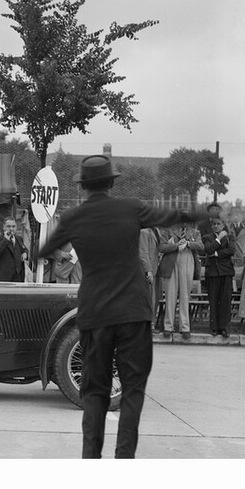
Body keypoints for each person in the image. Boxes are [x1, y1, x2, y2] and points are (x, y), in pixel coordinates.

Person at [36, 154, 206, 459]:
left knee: (95, 391)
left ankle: (92, 459)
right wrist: (197, 213)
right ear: (111, 182)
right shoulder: (130, 208)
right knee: (133, 388)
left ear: (84, 185)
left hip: (95, 313)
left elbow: (46, 250)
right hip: (132, 311)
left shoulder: (73, 217)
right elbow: (167, 216)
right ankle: (124, 458)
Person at [157, 222, 204, 339]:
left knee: (185, 295)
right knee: (170, 295)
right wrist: (176, 246)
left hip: (187, 259)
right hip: (172, 261)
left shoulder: (194, 232)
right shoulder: (168, 230)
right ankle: (168, 326)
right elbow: (161, 247)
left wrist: (188, 243)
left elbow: (201, 246)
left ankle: (185, 327)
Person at [202, 218, 236, 337]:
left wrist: (216, 254)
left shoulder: (230, 237)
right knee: (214, 300)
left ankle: (224, 327)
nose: (216, 226)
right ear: (212, 226)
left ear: (223, 225)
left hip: (226, 272)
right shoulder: (207, 237)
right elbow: (208, 249)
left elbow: (232, 250)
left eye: (218, 224)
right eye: (214, 224)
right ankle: (214, 328)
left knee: (225, 301)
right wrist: (219, 238)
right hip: (212, 272)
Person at [139, 227, 163, 328]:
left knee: (155, 297)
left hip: (157, 267)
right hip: (149, 270)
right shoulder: (144, 232)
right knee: (148, 298)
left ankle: (151, 321)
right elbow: (143, 252)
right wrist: (148, 270)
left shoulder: (157, 231)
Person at [0, 217, 28, 282]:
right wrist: (5, 241)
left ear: (16, 227)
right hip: (2, 278)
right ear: (3, 227)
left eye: (13, 226)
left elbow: (24, 249)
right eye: (8, 226)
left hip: (18, 277)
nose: (11, 229)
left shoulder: (19, 239)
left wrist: (25, 253)